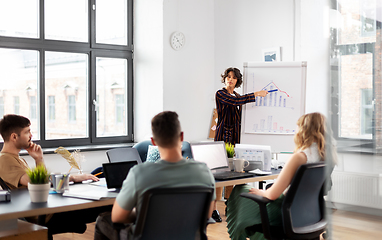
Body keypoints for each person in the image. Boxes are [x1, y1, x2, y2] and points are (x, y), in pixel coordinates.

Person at [94, 111, 216, 240]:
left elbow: (118, 217)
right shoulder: (204, 172)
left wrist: (144, 212)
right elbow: (207, 214)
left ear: (153, 142)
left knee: (102, 220)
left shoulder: (139, 173)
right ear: (181, 137)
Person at [225, 112, 336, 240]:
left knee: (240, 190)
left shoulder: (300, 157)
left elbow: (272, 195)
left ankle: (238, 235)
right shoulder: (327, 156)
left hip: (285, 211)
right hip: (309, 212)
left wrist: (262, 192)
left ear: (304, 130)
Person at [0, 114, 110, 239]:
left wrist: (39, 158)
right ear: (14, 136)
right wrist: (72, 177)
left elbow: (40, 183)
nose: (31, 136)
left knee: (101, 180)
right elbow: (38, 183)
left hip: (46, 210)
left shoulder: (16, 159)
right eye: (27, 132)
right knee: (108, 205)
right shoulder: (5, 160)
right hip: (45, 215)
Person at [212, 67, 268, 222]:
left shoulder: (237, 94)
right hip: (223, 138)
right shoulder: (221, 93)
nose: (230, 79)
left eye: (234, 77)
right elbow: (236, 101)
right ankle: (214, 209)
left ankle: (229, 206)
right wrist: (256, 94)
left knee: (232, 174)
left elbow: (239, 105)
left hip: (235, 139)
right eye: (228, 77)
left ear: (237, 81)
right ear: (224, 79)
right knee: (219, 174)